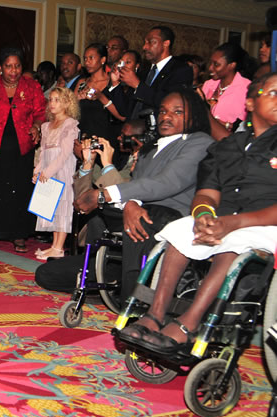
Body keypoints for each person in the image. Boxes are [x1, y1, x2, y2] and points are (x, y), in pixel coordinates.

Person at [118, 73, 277, 353]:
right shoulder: (228, 147)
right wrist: (203, 215)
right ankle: (155, 314)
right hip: (224, 220)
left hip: (264, 224)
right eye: (272, 93)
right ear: (250, 103)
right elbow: (207, 192)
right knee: (183, 231)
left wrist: (233, 223)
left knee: (234, 245)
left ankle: (189, 323)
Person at [40, 89, 214, 300]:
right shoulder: (151, 148)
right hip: (133, 217)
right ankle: (110, 282)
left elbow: (165, 184)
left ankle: (131, 300)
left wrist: (104, 195)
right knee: (47, 274)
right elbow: (136, 186)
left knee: (139, 220)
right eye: (163, 111)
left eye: (177, 112)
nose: (166, 117)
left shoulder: (199, 142)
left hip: (169, 219)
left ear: (193, 115)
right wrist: (128, 202)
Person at [0, 46, 46, 253]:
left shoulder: (32, 87)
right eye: (8, 66)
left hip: (22, 150)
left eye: (17, 66)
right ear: (0, 67)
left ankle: (19, 235)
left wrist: (37, 126)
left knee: (20, 191)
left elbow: (41, 112)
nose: (13, 71)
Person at [32, 87, 81, 260]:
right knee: (51, 206)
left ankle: (59, 247)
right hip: (47, 167)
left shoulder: (70, 124)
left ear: (67, 103)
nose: (52, 103)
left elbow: (65, 153)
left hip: (62, 168)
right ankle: (54, 245)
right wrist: (38, 171)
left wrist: (49, 171)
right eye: (51, 99)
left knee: (63, 205)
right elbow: (43, 151)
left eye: (57, 100)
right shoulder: (46, 126)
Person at [121, 25, 193, 119]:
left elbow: (170, 102)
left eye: (151, 42)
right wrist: (115, 85)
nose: (145, 47)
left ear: (166, 43)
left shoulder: (180, 70)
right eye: (145, 42)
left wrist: (137, 85)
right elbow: (124, 110)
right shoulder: (144, 71)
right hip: (131, 129)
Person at [201, 42, 251, 140]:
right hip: (203, 138)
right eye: (210, 63)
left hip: (229, 142)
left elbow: (249, 123)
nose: (210, 68)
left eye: (216, 64)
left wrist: (228, 125)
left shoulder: (247, 88)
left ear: (231, 65)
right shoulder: (208, 85)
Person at [75, 44, 116, 146]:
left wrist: (101, 97)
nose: (87, 62)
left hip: (105, 138)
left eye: (91, 58)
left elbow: (120, 113)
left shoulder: (112, 82)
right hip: (84, 138)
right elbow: (70, 112)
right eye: (85, 58)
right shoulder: (82, 83)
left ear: (103, 59)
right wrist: (77, 99)